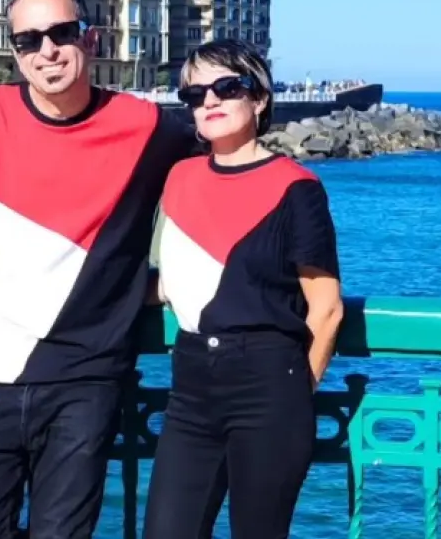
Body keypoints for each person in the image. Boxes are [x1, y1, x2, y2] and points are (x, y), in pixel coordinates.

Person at [0, 0, 196, 537]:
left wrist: (171, 281)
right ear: (15, 52)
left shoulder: (147, 127)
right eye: (28, 40)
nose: (47, 50)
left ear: (90, 39)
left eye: (61, 33)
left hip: (85, 388)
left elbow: (223, 171)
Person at [142, 39, 345, 538]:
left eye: (228, 87)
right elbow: (170, 281)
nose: (210, 100)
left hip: (269, 386)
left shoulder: (297, 188)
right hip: (191, 387)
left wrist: (295, 390)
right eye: (195, 94)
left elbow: (326, 308)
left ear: (259, 99)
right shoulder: (179, 178)